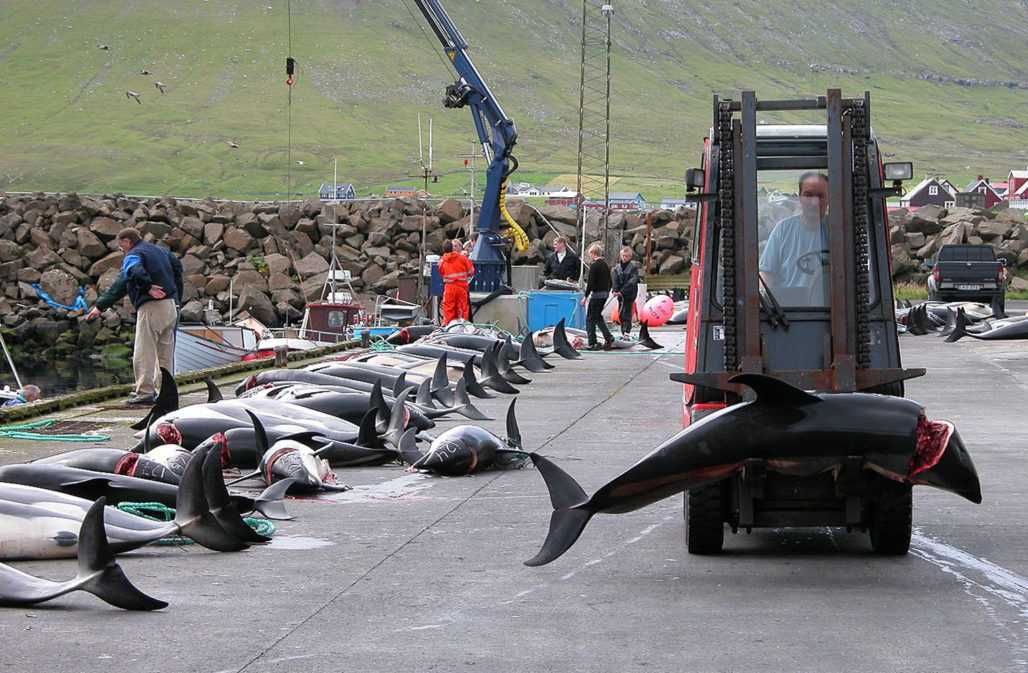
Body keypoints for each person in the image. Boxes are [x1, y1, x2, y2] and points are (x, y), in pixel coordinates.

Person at [86, 228, 183, 404]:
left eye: (120, 245)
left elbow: (133, 272)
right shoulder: (160, 251)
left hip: (152, 307)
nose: (120, 249)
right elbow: (177, 267)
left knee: (144, 351)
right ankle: (166, 392)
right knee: (165, 354)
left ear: (127, 241)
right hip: (170, 306)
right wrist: (177, 297)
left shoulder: (133, 254)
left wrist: (147, 287)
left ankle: (145, 393)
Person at [759, 172, 830, 307]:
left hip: (831, 311)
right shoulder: (783, 230)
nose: (814, 202)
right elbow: (766, 275)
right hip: (789, 315)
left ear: (829, 198)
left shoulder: (839, 231)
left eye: (820, 196)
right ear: (800, 198)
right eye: (808, 195)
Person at [580, 243, 615, 350]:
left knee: (590, 318)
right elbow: (610, 281)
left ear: (593, 253)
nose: (590, 256)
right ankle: (608, 337)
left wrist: (585, 297)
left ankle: (593, 342)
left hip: (596, 295)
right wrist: (607, 292)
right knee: (597, 317)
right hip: (604, 294)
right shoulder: (605, 265)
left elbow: (591, 283)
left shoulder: (594, 266)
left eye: (590, 254)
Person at [438, 240, 475, 325]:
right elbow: (471, 271)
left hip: (449, 287)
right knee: (462, 309)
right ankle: (462, 327)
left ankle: (448, 327)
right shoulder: (462, 258)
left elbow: (441, 272)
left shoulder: (441, 261)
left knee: (448, 309)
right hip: (461, 287)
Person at [612, 246, 640, 337]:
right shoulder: (617, 268)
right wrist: (615, 290)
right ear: (621, 256)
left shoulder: (633, 268)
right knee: (620, 314)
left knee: (626, 313)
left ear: (630, 257)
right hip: (620, 294)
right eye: (623, 256)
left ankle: (627, 333)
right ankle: (623, 332)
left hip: (629, 294)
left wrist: (622, 291)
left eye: (627, 256)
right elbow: (615, 280)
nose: (625, 258)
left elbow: (632, 281)